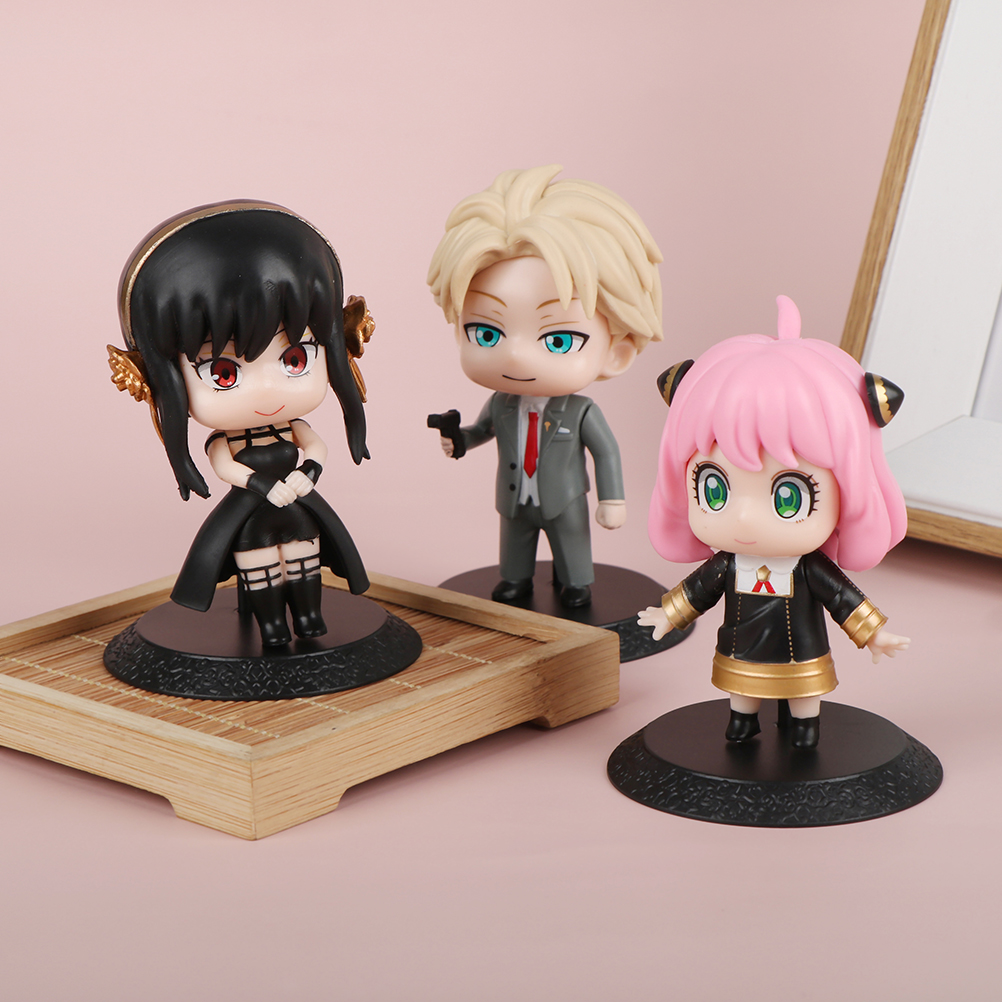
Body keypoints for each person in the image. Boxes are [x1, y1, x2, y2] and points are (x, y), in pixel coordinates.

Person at [638, 296, 909, 748]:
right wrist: (668, 614)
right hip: (740, 648)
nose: (745, 519)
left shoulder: (808, 568)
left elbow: (842, 599)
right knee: (742, 690)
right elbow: (698, 591)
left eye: (788, 497)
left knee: (803, 695)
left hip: (803, 651)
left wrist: (873, 634)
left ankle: (804, 727)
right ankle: (742, 722)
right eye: (714, 489)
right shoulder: (727, 564)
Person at [110, 200, 371, 647]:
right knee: (261, 567)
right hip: (252, 512)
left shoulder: (291, 428)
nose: (267, 390)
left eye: (294, 358)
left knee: (304, 560)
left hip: (296, 505)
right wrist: (263, 485)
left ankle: (308, 616)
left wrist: (309, 473)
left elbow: (315, 447)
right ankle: (271, 626)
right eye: (224, 373)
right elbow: (225, 467)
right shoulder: (226, 442)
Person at [427, 165, 663, 608]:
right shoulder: (501, 403)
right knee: (515, 543)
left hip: (564, 497)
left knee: (570, 540)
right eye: (487, 333)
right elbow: (482, 431)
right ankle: (515, 580)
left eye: (558, 340)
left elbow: (606, 452)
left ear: (617, 352)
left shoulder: (582, 411)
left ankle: (576, 583)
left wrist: (613, 500)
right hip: (514, 494)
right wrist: (458, 439)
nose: (516, 356)